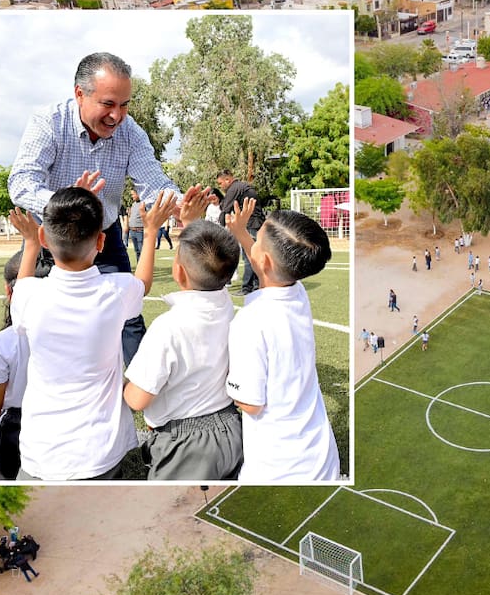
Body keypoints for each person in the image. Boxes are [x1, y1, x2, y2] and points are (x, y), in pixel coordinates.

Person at [8, 52, 193, 367]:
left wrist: (180, 203)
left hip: (103, 238)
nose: (117, 116)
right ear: (80, 94)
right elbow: (22, 183)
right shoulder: (49, 122)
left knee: (128, 317)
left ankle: (138, 383)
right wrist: (69, 204)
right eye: (108, 104)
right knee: (27, 321)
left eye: (124, 105)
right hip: (53, 237)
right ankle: (22, 387)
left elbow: (152, 181)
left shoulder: (130, 132)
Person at [7, 188, 178, 480]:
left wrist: (30, 244)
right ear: (101, 241)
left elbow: (21, 287)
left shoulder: (28, 295)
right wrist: (150, 233)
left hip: (41, 452)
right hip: (100, 452)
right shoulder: (118, 290)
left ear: (45, 238)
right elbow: (144, 284)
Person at [224, 199, 341, 483]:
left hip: (280, 469)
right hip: (322, 459)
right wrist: (241, 232)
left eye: (257, 236)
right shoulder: (297, 290)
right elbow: (265, 264)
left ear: (264, 260)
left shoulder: (251, 321)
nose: (253, 238)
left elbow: (250, 403)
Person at [123, 215, 245, 481]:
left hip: (186, 444)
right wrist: (192, 220)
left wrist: (123, 386)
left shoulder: (168, 327)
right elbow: (211, 263)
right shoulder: (224, 303)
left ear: (178, 272)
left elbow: (137, 399)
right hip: (231, 428)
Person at [0, 250, 52, 481]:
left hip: (18, 437)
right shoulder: (74, 330)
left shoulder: (6, 341)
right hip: (66, 433)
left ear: (8, 291)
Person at [216, 168, 266, 295]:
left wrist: (219, 229)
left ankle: (247, 287)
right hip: (255, 223)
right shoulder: (241, 187)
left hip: (251, 224)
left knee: (249, 256)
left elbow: (225, 209)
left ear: (228, 180)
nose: (220, 186)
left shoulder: (234, 188)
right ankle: (255, 285)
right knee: (252, 255)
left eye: (220, 183)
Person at [125, 190, 144, 260]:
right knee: (137, 251)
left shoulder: (143, 203)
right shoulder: (133, 204)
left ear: (138, 194)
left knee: (142, 251)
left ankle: (143, 268)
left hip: (140, 231)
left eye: (133, 194)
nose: (132, 196)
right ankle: (139, 267)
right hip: (132, 231)